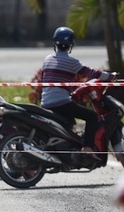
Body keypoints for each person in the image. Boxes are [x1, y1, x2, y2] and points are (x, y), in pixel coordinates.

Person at [40, 26, 114, 164]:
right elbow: (91, 73)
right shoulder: (72, 63)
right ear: (71, 45)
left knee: (72, 121)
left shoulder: (47, 59)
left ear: (54, 43)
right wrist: (110, 76)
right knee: (92, 117)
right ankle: (87, 149)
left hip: (46, 102)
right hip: (60, 103)